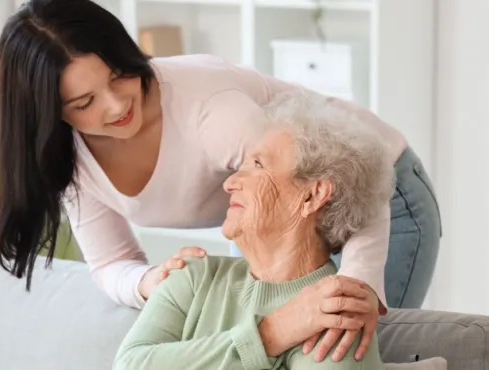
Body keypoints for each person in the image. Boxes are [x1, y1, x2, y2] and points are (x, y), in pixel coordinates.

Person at [0, 0, 441, 361]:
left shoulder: (210, 110)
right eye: (85, 101)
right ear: (49, 113)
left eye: (119, 75)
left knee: (349, 339)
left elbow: (338, 181)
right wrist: (150, 280)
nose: (115, 106)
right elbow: (110, 264)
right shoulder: (68, 159)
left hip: (376, 189)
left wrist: (356, 287)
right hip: (278, 220)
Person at [113, 90, 393, 370]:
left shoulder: (334, 315)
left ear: (312, 196)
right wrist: (269, 334)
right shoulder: (193, 276)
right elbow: (128, 366)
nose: (230, 182)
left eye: (258, 165)